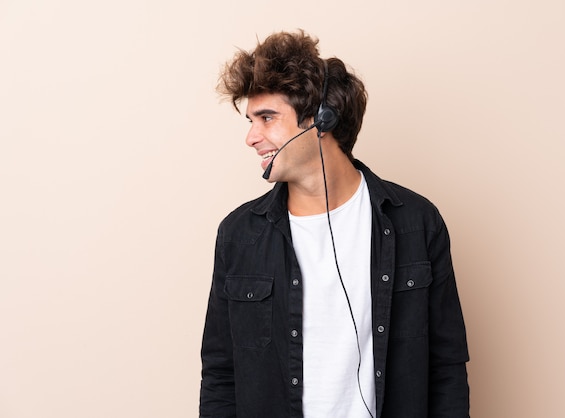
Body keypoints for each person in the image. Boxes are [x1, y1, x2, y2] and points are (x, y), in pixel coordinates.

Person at [200, 30, 470, 418]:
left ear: (320, 119)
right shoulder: (240, 235)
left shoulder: (416, 222)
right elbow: (220, 376)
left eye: (267, 118)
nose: (251, 137)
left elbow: (446, 367)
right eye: (251, 120)